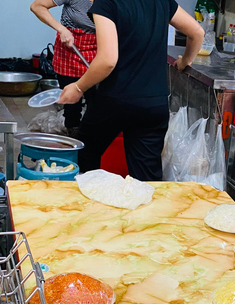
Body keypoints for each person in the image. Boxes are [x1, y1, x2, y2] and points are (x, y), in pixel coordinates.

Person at [57, 0, 204, 181]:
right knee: (147, 179)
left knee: (84, 155)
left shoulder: (107, 3)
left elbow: (108, 60)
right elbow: (197, 32)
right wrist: (184, 61)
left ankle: (90, 203)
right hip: (153, 103)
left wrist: (79, 87)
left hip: (115, 99)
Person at [31, 0, 96, 139]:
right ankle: (73, 139)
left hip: (99, 52)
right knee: (72, 105)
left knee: (97, 104)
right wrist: (62, 29)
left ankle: (92, 143)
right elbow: (37, 6)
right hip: (70, 52)